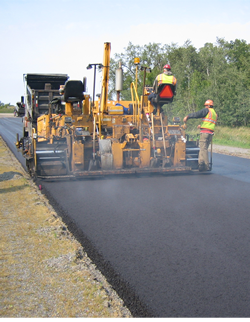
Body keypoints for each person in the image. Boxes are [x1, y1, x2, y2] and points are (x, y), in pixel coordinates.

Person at [183, 99, 218, 172]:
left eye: (205, 106)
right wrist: (201, 126)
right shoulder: (214, 113)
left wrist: (188, 116)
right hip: (210, 133)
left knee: (203, 148)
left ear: (208, 106)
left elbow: (198, 114)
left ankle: (206, 165)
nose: (205, 107)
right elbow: (209, 123)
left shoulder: (207, 110)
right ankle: (201, 164)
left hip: (205, 133)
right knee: (204, 148)